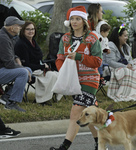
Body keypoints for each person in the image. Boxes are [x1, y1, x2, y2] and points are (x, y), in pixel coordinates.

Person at [50, 6, 102, 150]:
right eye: (72, 19)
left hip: (90, 79)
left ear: (84, 21)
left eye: (78, 19)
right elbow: (59, 58)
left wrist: (79, 56)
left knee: (76, 112)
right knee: (89, 115)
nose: (74, 22)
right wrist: (64, 71)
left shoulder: (92, 38)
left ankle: (64, 147)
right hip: (73, 80)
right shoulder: (65, 38)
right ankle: (100, 145)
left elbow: (98, 61)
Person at [0, 16, 32, 112]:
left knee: (28, 70)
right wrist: (23, 69)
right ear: (12, 27)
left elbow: (11, 56)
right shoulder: (2, 38)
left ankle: (6, 97)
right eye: (18, 26)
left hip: (0, 69)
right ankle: (11, 103)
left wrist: (18, 60)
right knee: (23, 72)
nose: (20, 28)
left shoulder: (8, 36)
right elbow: (9, 63)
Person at [14, 21, 59, 104]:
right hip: (28, 70)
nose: (31, 31)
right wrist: (42, 67)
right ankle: (42, 100)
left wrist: (43, 65)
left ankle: (46, 97)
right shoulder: (21, 44)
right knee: (51, 75)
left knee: (55, 75)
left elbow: (39, 59)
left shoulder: (34, 42)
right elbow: (26, 64)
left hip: (38, 68)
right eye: (28, 29)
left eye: (32, 29)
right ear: (23, 31)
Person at [105, 24, 136, 102]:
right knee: (126, 71)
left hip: (125, 66)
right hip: (113, 67)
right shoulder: (111, 45)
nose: (127, 38)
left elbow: (130, 58)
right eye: (125, 36)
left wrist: (130, 64)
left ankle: (133, 93)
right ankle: (124, 93)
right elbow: (110, 62)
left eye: (127, 36)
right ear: (118, 36)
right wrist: (125, 66)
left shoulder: (125, 46)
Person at [93, 20, 111, 85]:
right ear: (102, 32)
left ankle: (100, 77)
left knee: (100, 66)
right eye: (107, 32)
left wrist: (107, 49)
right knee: (98, 66)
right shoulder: (97, 37)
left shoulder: (105, 38)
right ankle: (99, 77)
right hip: (95, 55)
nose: (108, 34)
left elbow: (105, 46)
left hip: (101, 55)